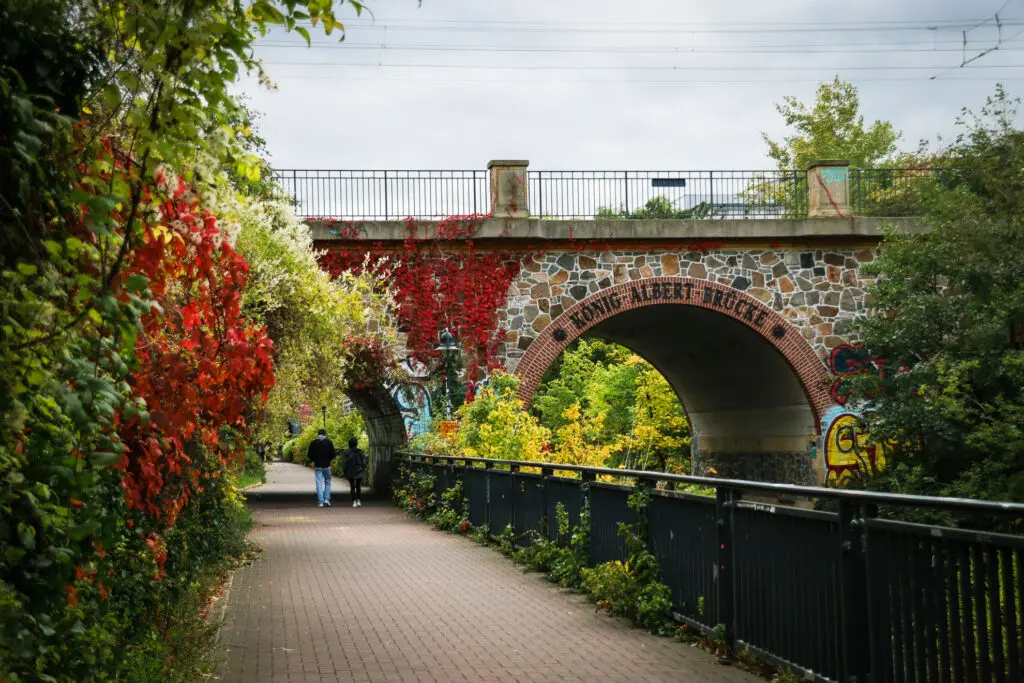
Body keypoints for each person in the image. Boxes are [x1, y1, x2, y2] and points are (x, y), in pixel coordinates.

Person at [306, 429, 336, 507]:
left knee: (319, 483)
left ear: (318, 434)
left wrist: (314, 460)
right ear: (325, 434)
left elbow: (309, 455)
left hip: (318, 466)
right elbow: (333, 454)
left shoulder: (313, 443)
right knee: (328, 482)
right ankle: (327, 499)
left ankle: (320, 502)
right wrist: (329, 459)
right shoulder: (329, 442)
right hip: (327, 465)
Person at [342, 437, 367, 508]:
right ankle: (359, 500)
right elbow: (364, 461)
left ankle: (354, 501)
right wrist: (363, 468)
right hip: (359, 470)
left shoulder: (346, 452)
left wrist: (345, 471)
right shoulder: (360, 451)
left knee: (352, 486)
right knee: (358, 486)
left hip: (350, 471)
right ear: (356, 443)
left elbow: (344, 463)